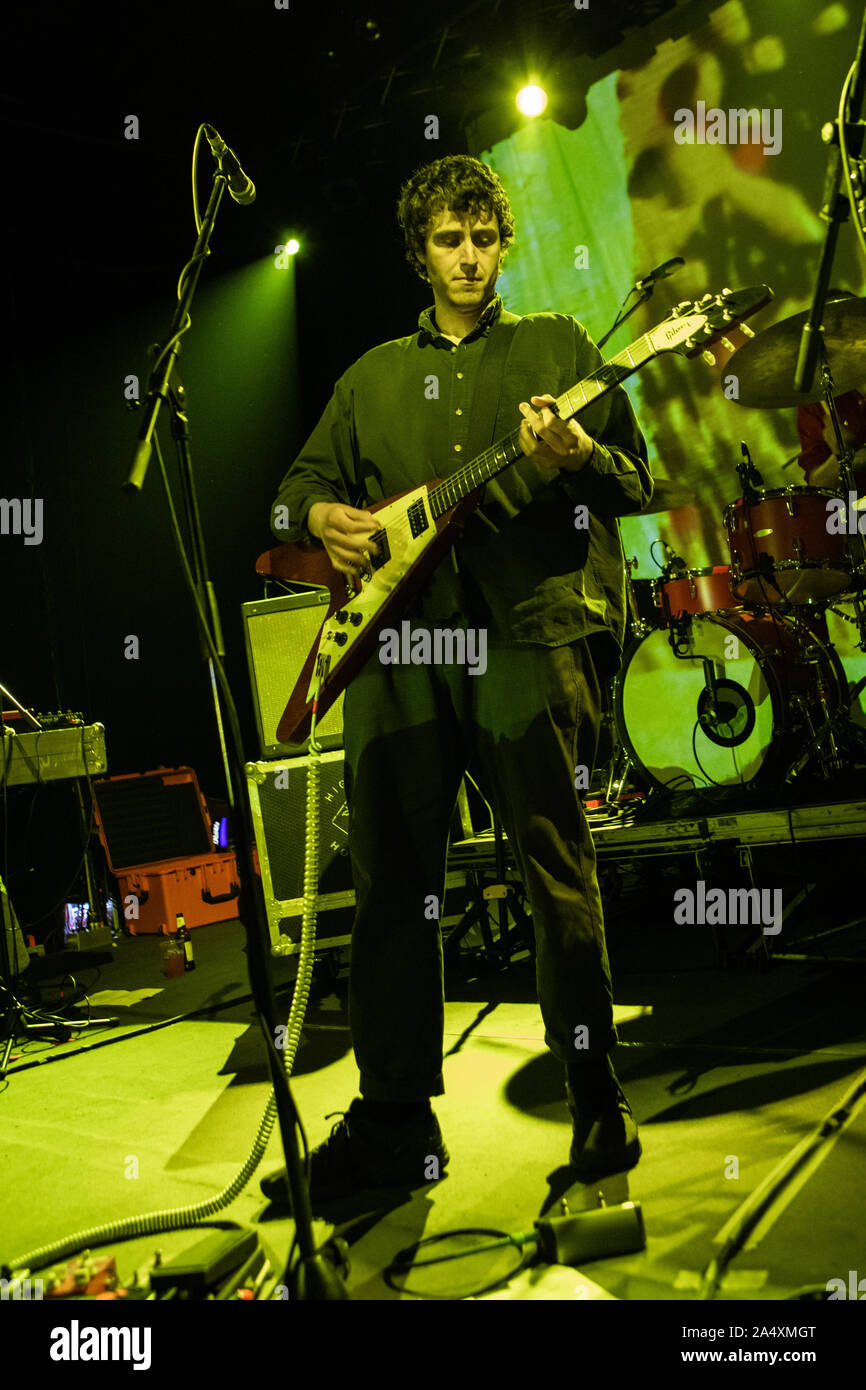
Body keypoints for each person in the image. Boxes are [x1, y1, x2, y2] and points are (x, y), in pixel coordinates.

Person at [263, 154, 652, 1210]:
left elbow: (637, 479)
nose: (469, 257)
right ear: (419, 251)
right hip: (399, 657)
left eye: (483, 237)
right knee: (392, 887)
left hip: (524, 645)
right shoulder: (369, 376)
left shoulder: (558, 350)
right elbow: (293, 490)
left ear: (503, 244)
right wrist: (320, 519)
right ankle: (393, 1120)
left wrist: (572, 459)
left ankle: (594, 1095)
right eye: (448, 239)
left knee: (555, 874)